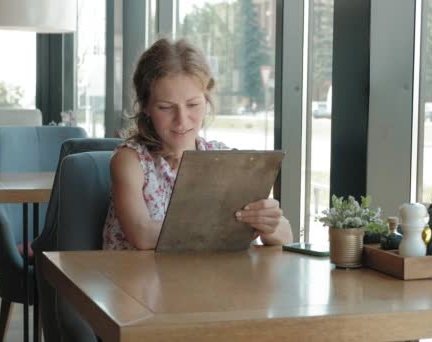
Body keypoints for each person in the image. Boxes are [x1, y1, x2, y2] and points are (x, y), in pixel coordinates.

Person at [102, 38, 293, 250]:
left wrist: (268, 223)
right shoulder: (131, 161)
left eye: (193, 105)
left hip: (202, 278)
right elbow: (142, 234)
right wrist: (227, 225)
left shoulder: (222, 157)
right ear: (145, 106)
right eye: (166, 107)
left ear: (206, 99)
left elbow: (286, 235)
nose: (182, 120)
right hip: (136, 280)